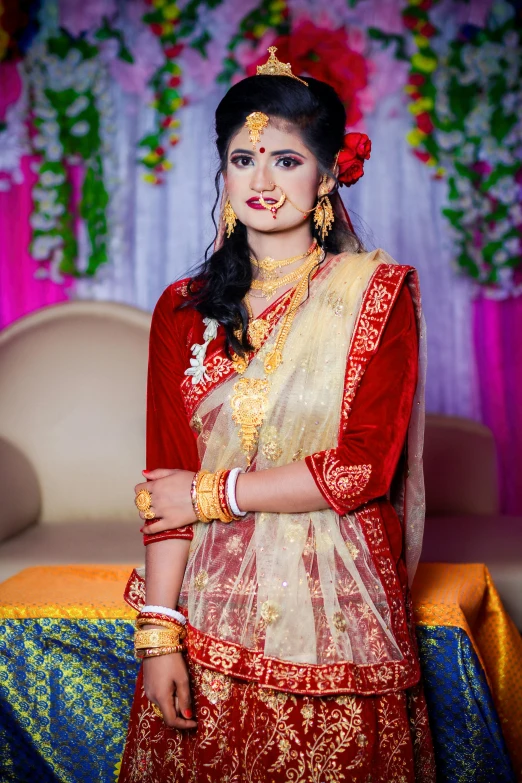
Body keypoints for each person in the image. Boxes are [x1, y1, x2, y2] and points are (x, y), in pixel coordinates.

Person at [119, 47, 435, 783]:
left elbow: (360, 468)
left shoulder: (374, 297)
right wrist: (160, 635)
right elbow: (166, 479)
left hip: (336, 609)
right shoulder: (181, 309)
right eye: (243, 158)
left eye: (287, 161)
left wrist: (214, 492)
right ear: (223, 174)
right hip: (208, 607)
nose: (262, 181)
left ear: (327, 175)